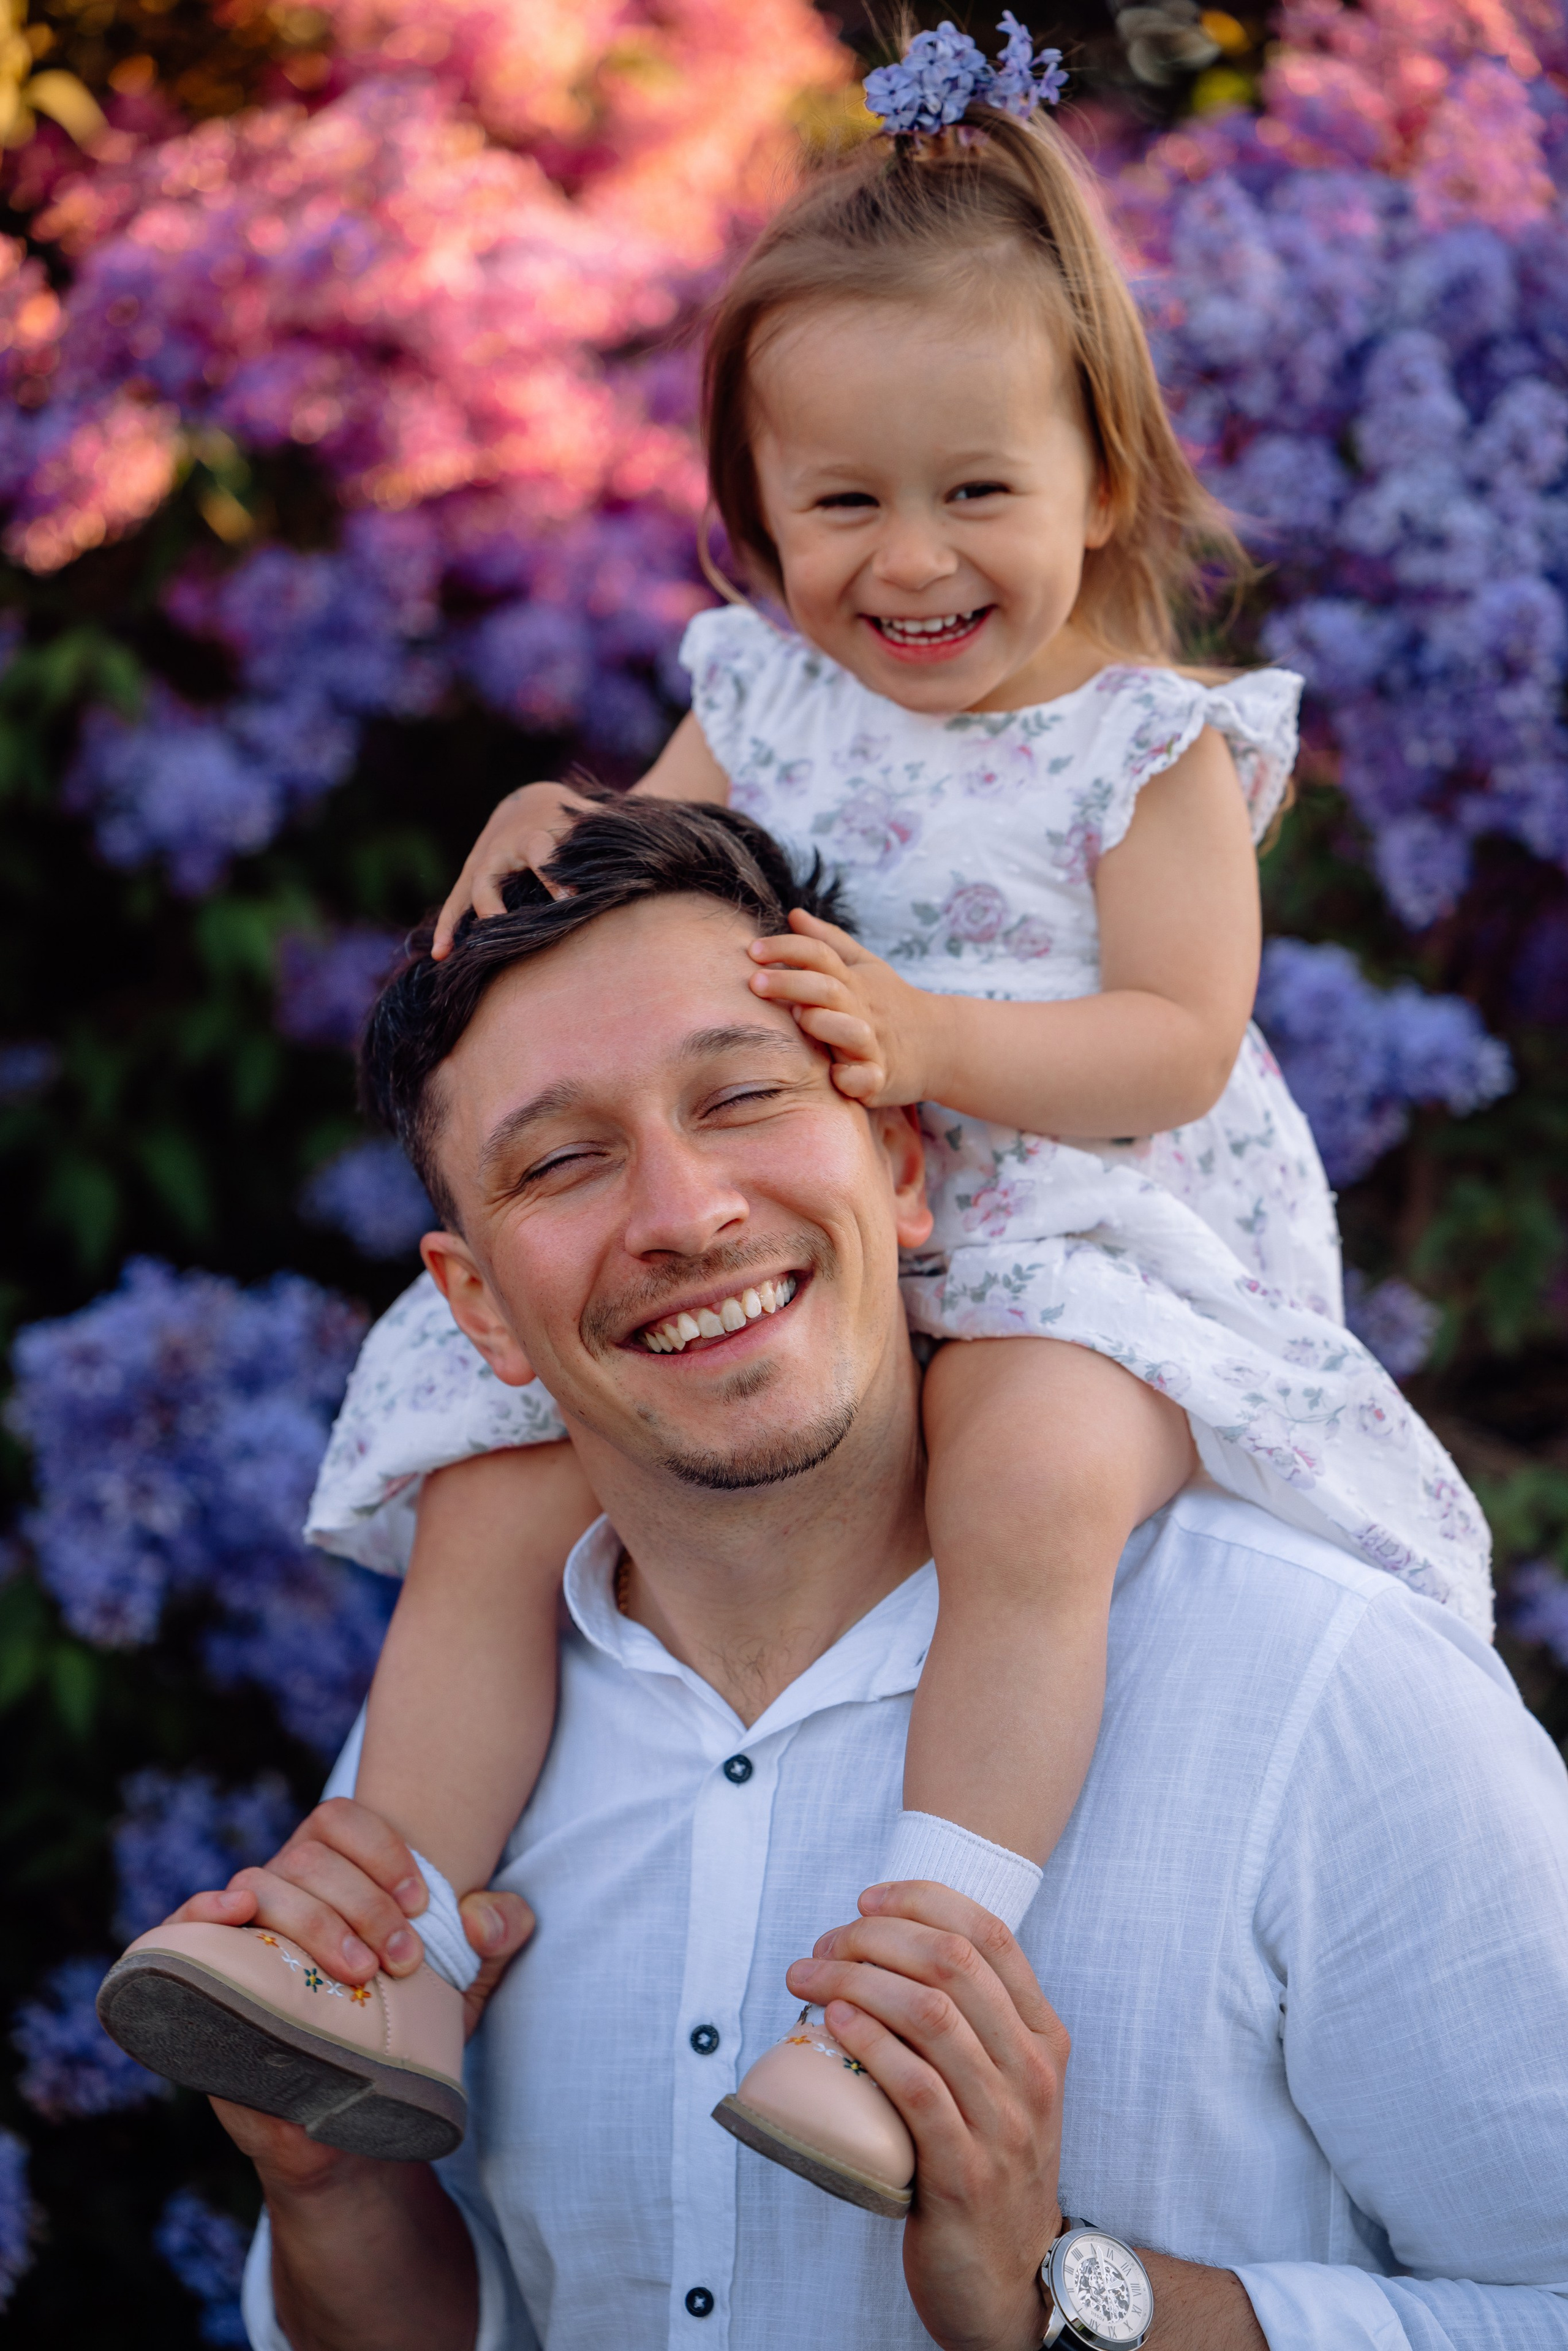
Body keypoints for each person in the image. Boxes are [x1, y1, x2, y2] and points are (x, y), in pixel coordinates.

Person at [101, 17, 1490, 2194]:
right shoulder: (764, 697)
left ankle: (907, 1982)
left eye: (976, 492)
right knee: (493, 1491)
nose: (908, 562)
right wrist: (535, 817)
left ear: (1100, 482)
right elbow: (607, 902)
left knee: (1025, 1495)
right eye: (841, 502)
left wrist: (925, 1039)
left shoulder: (1145, 751)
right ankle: (381, 1940)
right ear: (757, 519)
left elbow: (1176, 1047)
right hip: (798, 1221)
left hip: (1077, 1232)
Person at [126, 801, 1568, 2350]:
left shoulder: (1317, 1680)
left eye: (741, 1096)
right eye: (562, 1162)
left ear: (896, 1158)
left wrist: (1064, 2303)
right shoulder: (446, 1771)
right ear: (475, 1308)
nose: (685, 1214)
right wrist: (333, 2197)